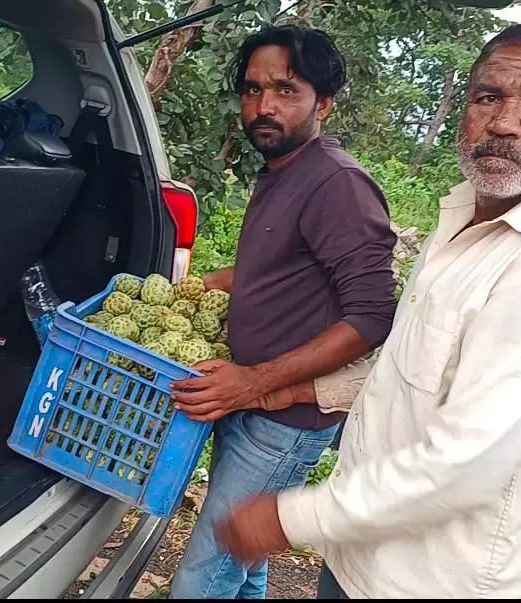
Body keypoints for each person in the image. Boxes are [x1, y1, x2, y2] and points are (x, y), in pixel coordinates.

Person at [212, 10, 521, 599]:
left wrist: (287, 519)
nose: (503, 123)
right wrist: (291, 390)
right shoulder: (466, 222)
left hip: (446, 581)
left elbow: (466, 464)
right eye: (487, 96)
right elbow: (411, 363)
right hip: (366, 557)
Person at [167, 25, 399, 599]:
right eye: (251, 90)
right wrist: (222, 283)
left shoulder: (336, 183)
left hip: (281, 420)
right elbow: (292, 264)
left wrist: (254, 383)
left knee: (203, 577)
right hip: (244, 399)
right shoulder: (282, 169)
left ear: (323, 102)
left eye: (285, 90)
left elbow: (371, 316)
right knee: (244, 557)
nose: (263, 106)